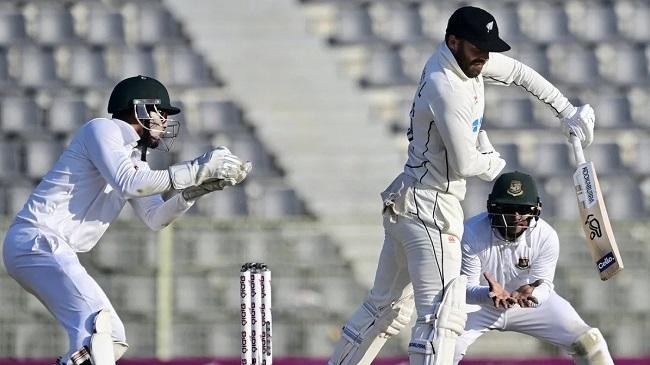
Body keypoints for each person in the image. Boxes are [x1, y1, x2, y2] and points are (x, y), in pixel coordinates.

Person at [328, 5, 596, 365]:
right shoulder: (446, 85)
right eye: (477, 48)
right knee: (441, 319)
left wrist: (566, 110)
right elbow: (468, 163)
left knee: (384, 309)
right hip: (431, 209)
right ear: (452, 41)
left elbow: (518, 72)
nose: (484, 56)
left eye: (488, 48)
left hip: (409, 202)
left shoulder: (468, 61)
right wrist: (495, 160)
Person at [2, 75, 252, 365]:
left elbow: (154, 218)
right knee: (101, 336)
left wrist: (194, 192)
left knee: (112, 340)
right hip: (38, 241)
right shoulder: (101, 129)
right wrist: (196, 169)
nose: (164, 121)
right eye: (161, 113)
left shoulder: (133, 159)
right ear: (140, 109)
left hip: (47, 248)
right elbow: (129, 184)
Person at [455, 171, 614, 365]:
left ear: (535, 210)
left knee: (589, 343)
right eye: (508, 208)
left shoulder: (546, 236)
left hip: (526, 305)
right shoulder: (471, 233)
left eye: (523, 209)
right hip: (481, 305)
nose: (516, 216)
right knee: (441, 346)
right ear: (492, 208)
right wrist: (488, 295)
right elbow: (465, 289)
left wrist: (534, 295)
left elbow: (544, 285)